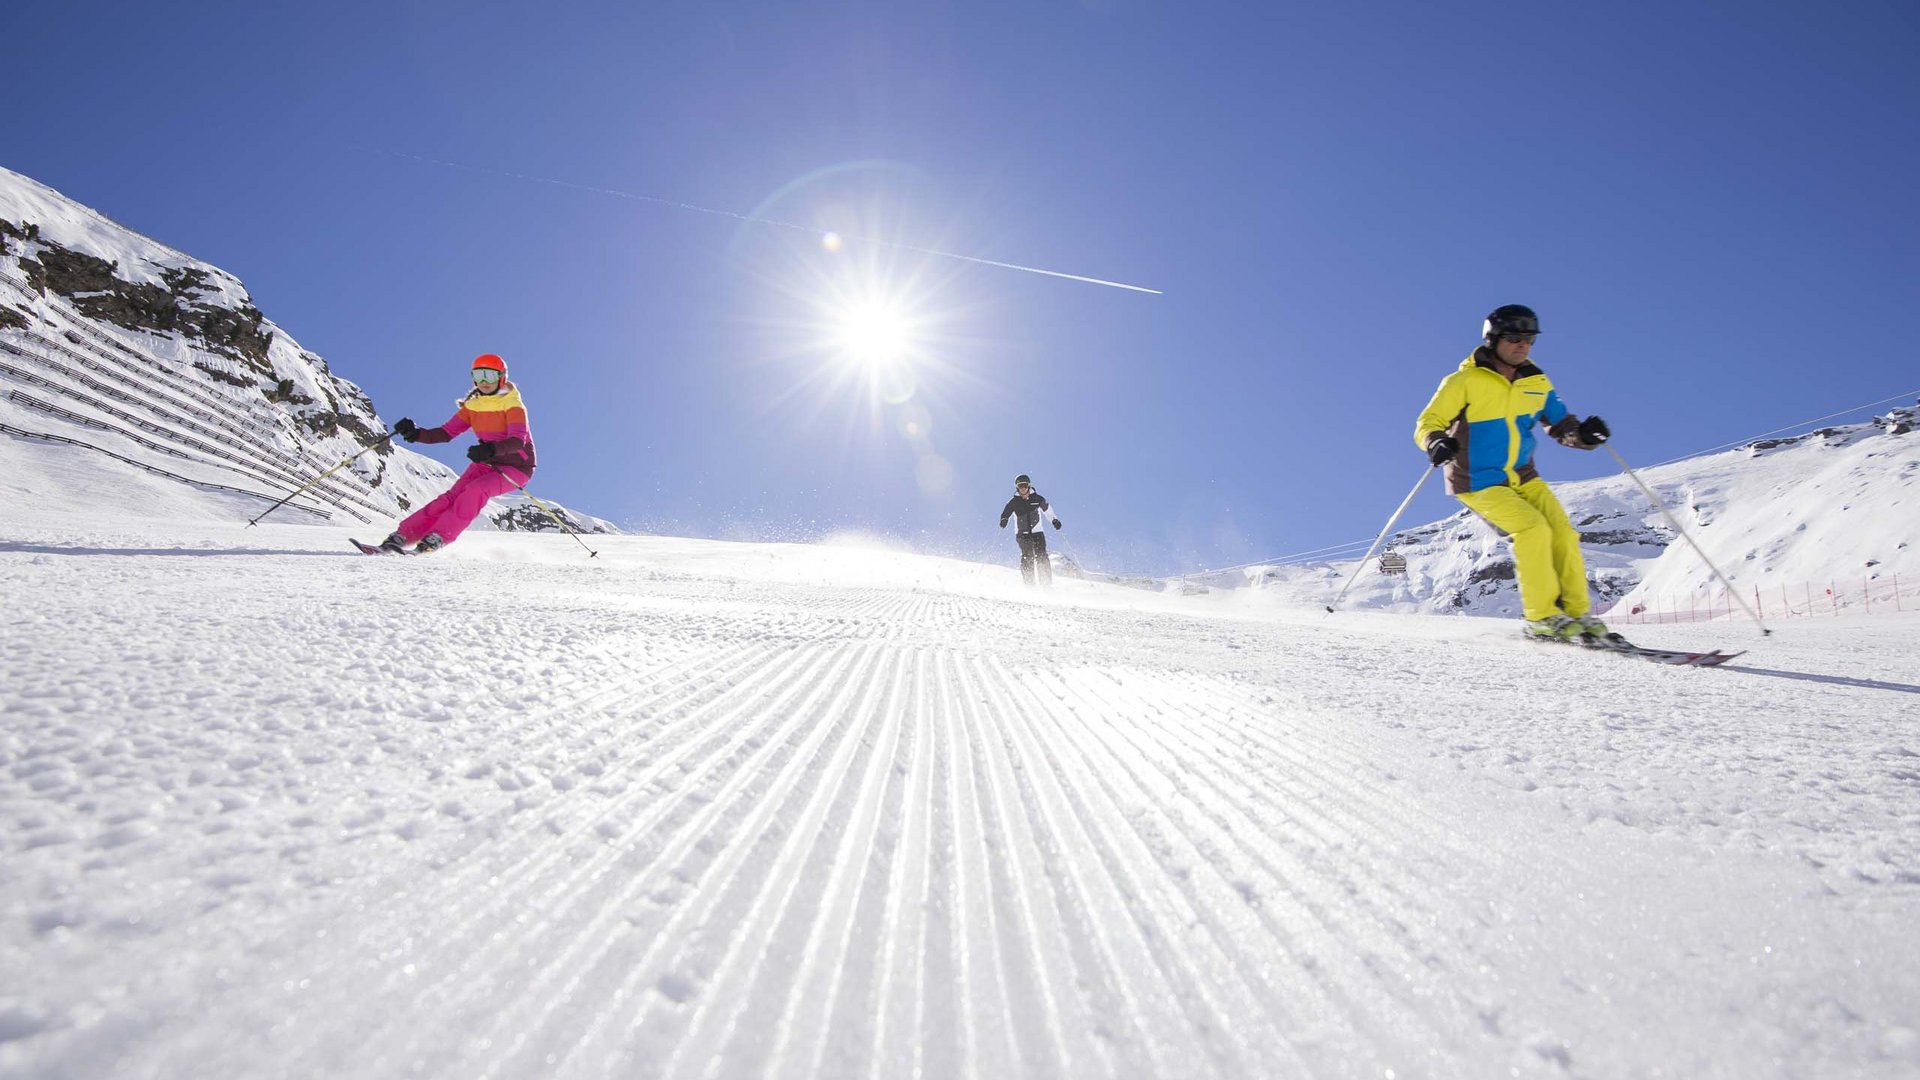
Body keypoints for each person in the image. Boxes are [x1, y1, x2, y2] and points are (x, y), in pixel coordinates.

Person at [1414, 305, 1612, 640]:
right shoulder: (1464, 381)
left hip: (1523, 476)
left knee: (1562, 531)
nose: (1523, 345)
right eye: (1514, 338)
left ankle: (1579, 616)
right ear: (1493, 340)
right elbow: (1427, 423)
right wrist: (1435, 442)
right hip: (1477, 478)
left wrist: (1583, 436)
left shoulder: (1536, 383)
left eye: (1529, 339)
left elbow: (1560, 425)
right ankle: (1543, 618)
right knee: (1533, 529)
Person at [377, 353, 537, 553]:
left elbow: (517, 440)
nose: (484, 381)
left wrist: (491, 449)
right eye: (479, 376)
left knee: (476, 490)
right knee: (449, 498)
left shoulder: (513, 405)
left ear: (502, 377)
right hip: (487, 461)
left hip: (517, 467)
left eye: (490, 375)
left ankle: (438, 538)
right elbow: (445, 433)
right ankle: (403, 535)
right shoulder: (473, 406)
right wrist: (416, 433)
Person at [999, 473, 1062, 586]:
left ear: (1029, 486)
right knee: (1027, 556)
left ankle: (1046, 584)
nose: (1023, 488)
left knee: (1042, 556)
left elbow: (1047, 510)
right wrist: (1004, 519)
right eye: (1020, 486)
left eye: (1025, 485)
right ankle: (1030, 584)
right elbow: (1006, 512)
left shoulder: (1037, 498)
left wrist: (1054, 520)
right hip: (1022, 534)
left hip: (1037, 532)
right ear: (1017, 488)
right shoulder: (1014, 502)